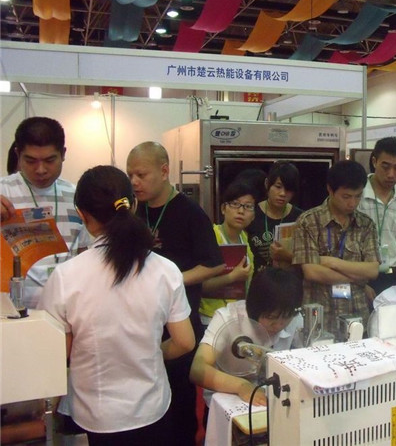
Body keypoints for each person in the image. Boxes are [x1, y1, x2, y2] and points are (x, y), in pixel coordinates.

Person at [38, 165, 195, 445]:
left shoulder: (66, 277)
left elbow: (58, 354)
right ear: (133, 205)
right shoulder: (165, 270)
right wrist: (150, 352)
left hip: (96, 414)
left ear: (82, 215)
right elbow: (184, 342)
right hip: (152, 408)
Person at [126, 141, 225, 446]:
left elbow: (214, 264)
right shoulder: (133, 211)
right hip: (140, 322)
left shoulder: (190, 212)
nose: (134, 182)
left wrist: (172, 280)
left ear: (164, 170)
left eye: (141, 174)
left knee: (179, 402)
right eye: (130, 175)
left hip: (179, 324)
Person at [0, 117, 90, 309]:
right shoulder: (3, 192)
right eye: (30, 161)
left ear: (63, 154)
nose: (40, 170)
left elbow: (85, 256)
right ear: (17, 154)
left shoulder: (78, 196)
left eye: (50, 160)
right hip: (11, 312)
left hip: (65, 309)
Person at [190, 267, 303, 407]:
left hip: (273, 398)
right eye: (271, 317)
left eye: (286, 317)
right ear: (254, 308)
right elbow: (197, 369)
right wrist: (240, 386)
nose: (279, 325)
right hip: (227, 400)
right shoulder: (228, 318)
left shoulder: (294, 317)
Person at [292, 160, 380, 335]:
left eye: (358, 196)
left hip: (356, 312)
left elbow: (372, 270)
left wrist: (333, 263)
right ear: (330, 190)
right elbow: (312, 272)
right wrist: (358, 277)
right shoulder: (308, 221)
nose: (353, 203)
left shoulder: (366, 224)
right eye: (346, 196)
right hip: (319, 315)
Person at [358, 137, 396, 294]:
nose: (391, 174)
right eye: (385, 167)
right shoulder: (357, 194)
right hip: (363, 273)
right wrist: (358, 283)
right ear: (374, 161)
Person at [199, 182, 256, 326]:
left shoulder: (244, 239)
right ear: (223, 209)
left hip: (238, 317)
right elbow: (200, 285)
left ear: (253, 215)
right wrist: (233, 277)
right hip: (211, 318)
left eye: (248, 206)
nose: (241, 211)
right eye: (235, 204)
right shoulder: (211, 236)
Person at [246, 161, 303, 271]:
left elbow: (310, 261)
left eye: (288, 189)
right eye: (278, 187)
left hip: (290, 279)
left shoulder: (301, 218)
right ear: (267, 183)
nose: (282, 193)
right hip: (257, 279)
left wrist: (287, 256)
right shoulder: (251, 213)